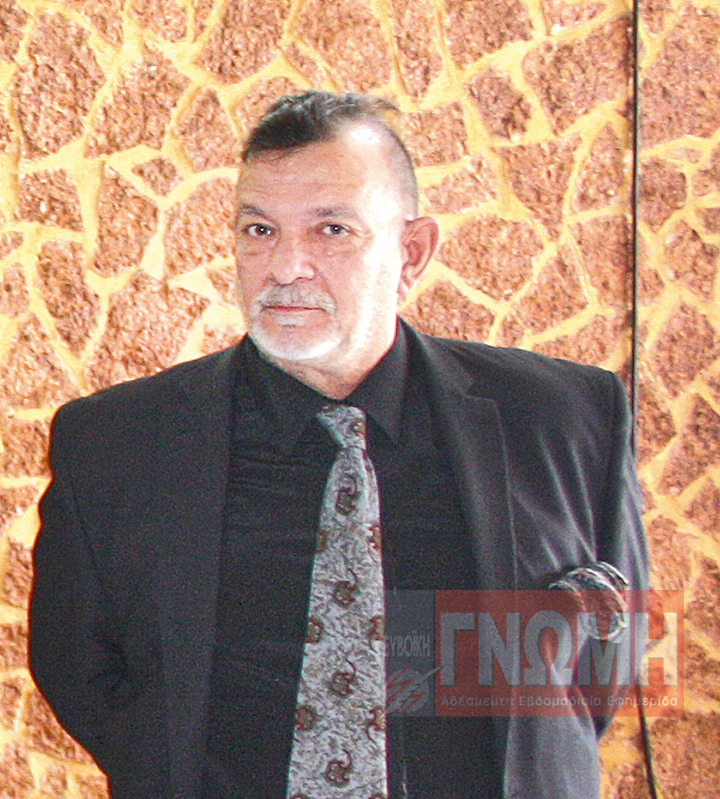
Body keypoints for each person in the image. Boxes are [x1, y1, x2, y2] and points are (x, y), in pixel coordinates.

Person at [30, 91, 648, 799]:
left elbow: (602, 670)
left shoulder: (563, 418)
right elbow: (79, 670)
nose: (286, 266)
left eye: (331, 229)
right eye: (259, 229)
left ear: (412, 253)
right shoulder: (115, 443)